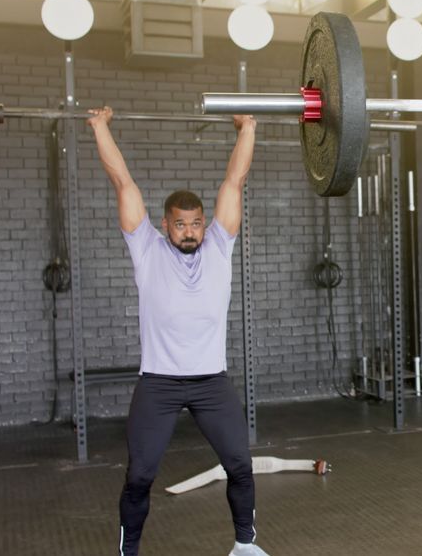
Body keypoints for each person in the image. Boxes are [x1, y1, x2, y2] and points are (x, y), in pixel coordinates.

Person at [87, 107, 268, 556]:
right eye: (180, 224)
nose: (189, 231)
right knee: (140, 475)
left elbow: (233, 183)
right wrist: (99, 126)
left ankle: (245, 546)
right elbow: (123, 183)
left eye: (195, 223)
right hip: (160, 383)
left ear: (204, 223)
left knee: (241, 466)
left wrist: (248, 128)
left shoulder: (220, 246)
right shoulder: (145, 247)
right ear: (164, 224)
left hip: (211, 382)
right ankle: (129, 552)